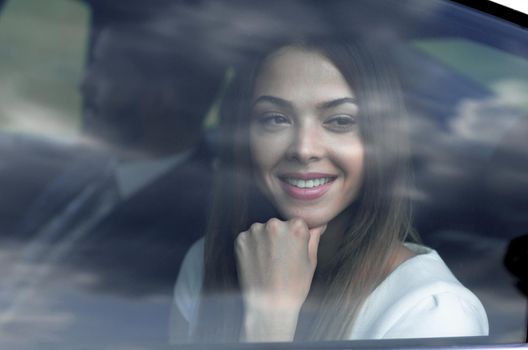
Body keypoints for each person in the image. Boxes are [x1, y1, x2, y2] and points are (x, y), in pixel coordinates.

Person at [170, 38, 489, 343]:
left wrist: (270, 318)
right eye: (275, 118)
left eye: (339, 121)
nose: (304, 149)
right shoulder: (205, 263)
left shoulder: (432, 311)